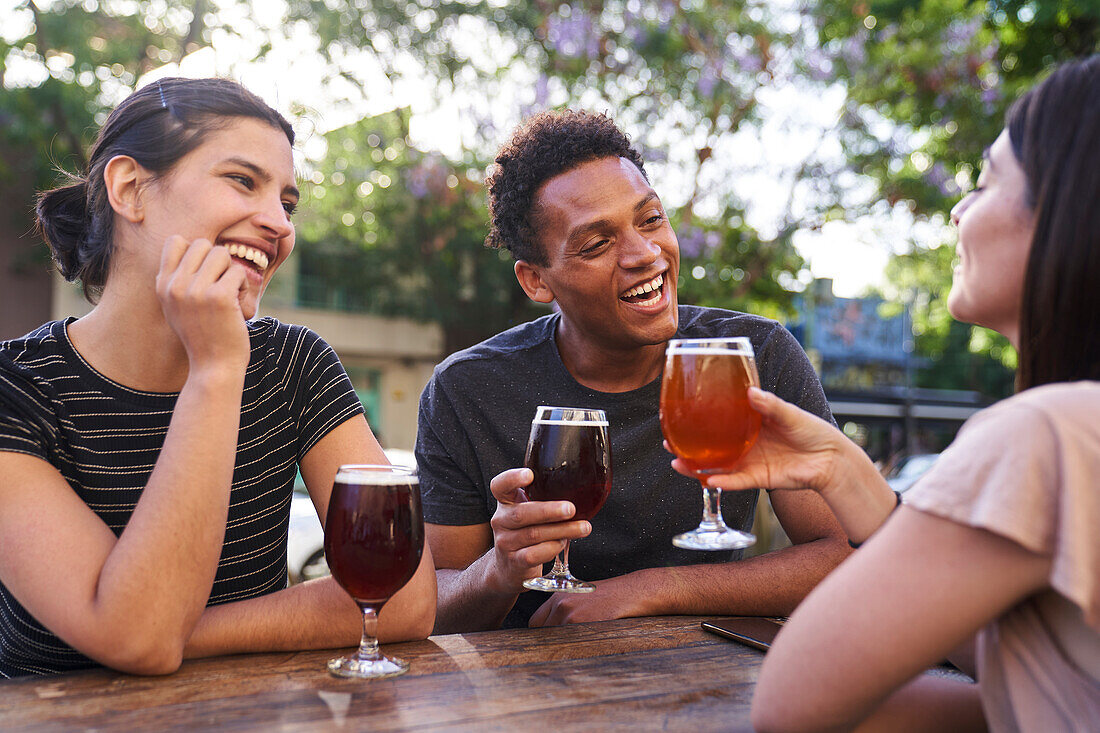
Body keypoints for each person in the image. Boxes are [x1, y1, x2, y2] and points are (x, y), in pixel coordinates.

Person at [686, 56, 1100, 731]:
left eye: (988, 181)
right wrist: (842, 467)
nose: (958, 210)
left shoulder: (1046, 432)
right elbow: (1038, 663)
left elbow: (791, 700)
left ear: (1066, 210)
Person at [0, 77, 436, 678]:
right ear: (130, 189)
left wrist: (169, 628)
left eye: (286, 203)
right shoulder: (15, 388)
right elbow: (142, 641)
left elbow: (406, 599)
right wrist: (216, 371)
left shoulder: (294, 363)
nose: (279, 225)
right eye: (242, 181)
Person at [416, 110, 850, 633]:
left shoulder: (753, 357)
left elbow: (840, 555)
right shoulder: (468, 390)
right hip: (527, 689)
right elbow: (432, 605)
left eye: (650, 220)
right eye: (597, 244)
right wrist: (500, 569)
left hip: (710, 680)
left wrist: (647, 591)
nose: (645, 255)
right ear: (536, 281)